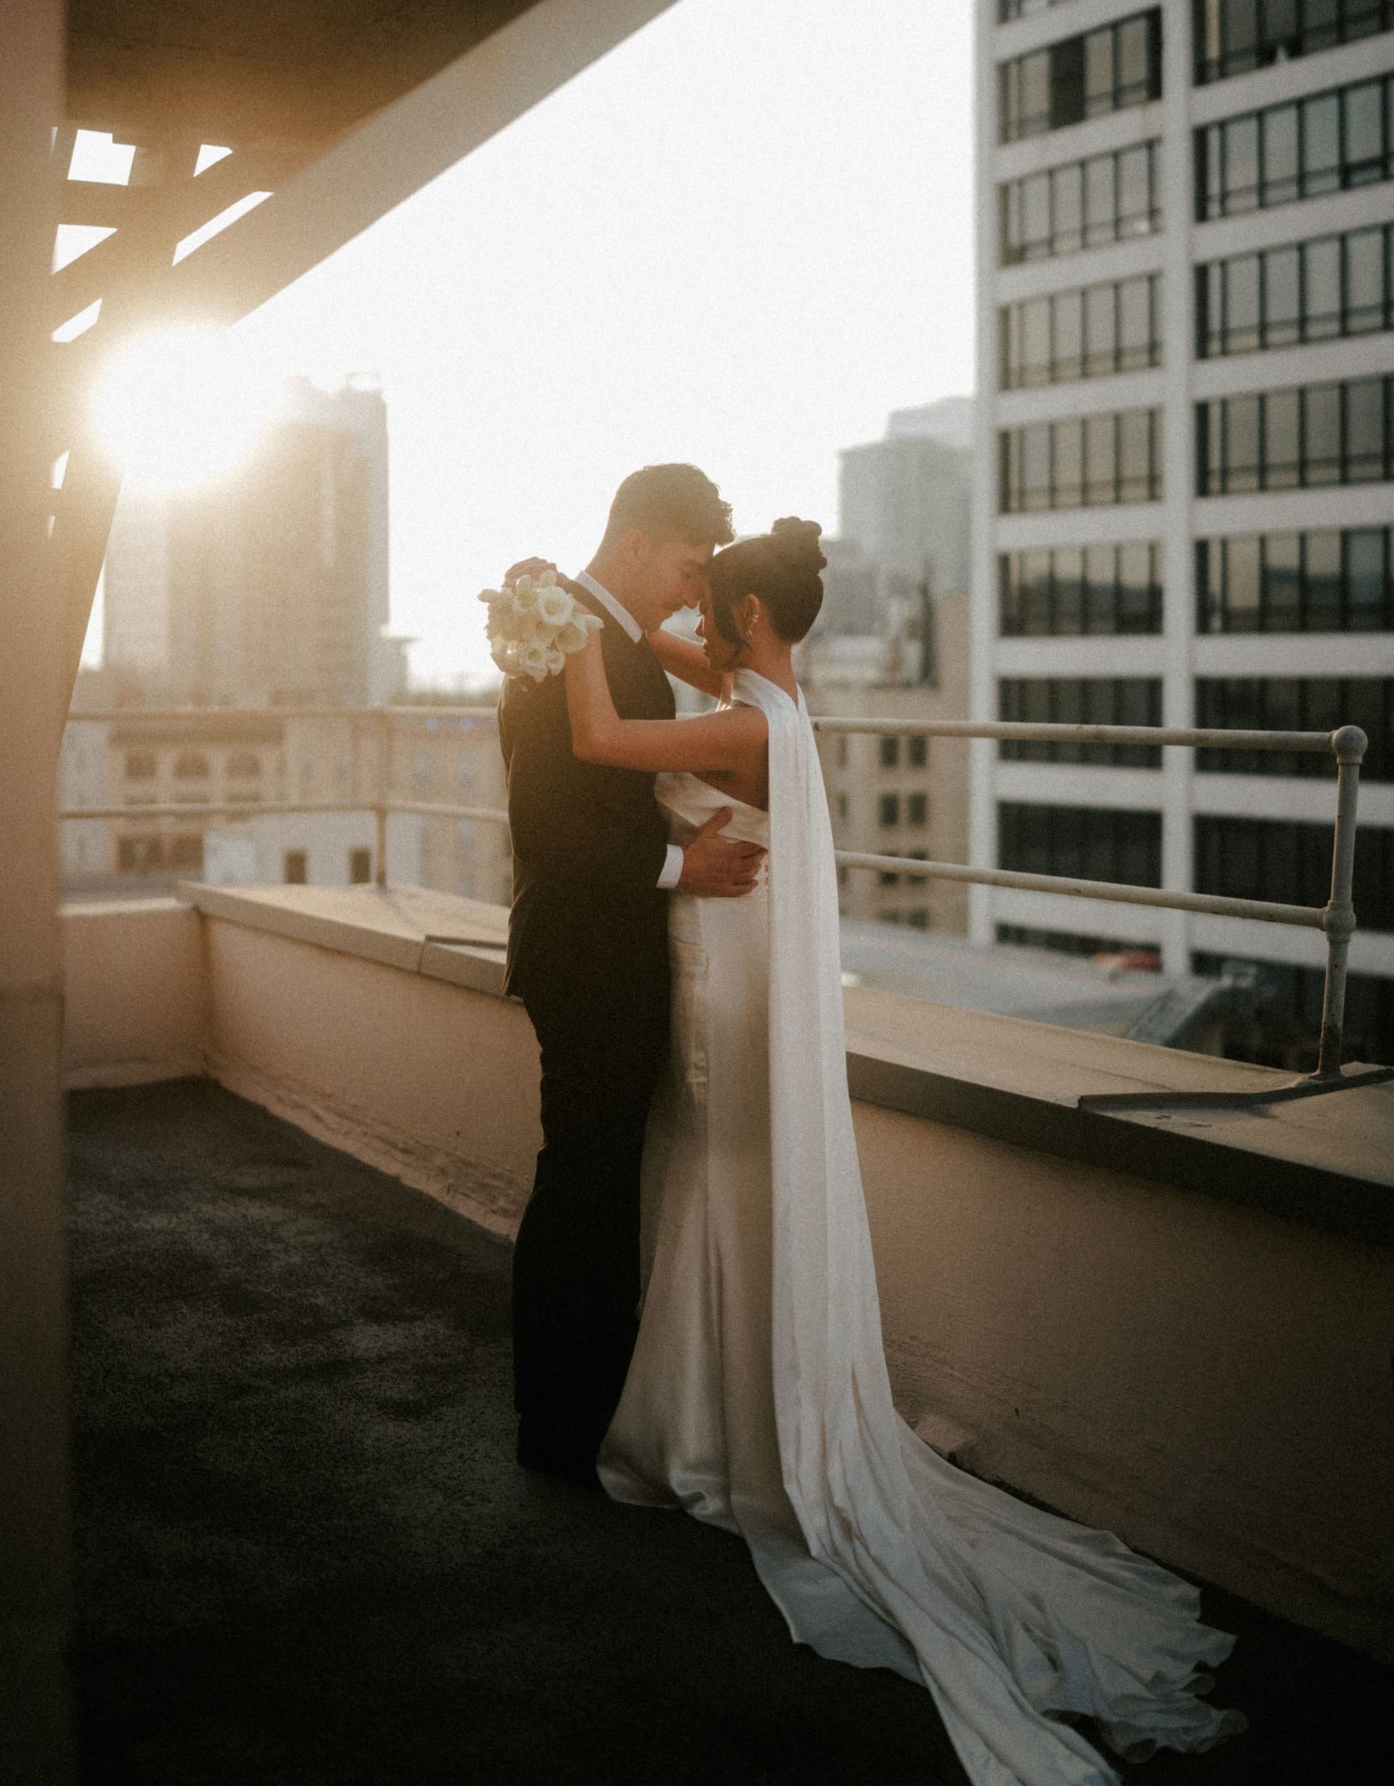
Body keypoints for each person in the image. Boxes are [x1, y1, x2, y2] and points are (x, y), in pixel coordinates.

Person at [563, 516, 1245, 1786]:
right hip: (733, 956)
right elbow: (665, 639)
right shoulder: (768, 695)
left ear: (751, 623)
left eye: (715, 609)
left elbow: (598, 738)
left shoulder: (742, 722)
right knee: (720, 1180)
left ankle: (714, 1432)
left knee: (718, 1170)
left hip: (723, 978)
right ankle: (719, 1412)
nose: (694, 625)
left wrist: (555, 623)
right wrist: (632, 608)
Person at [499, 464, 765, 1489]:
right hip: (590, 955)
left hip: (597, 952)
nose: (692, 595)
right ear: (639, 541)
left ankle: (572, 1415)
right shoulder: (570, 634)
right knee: (585, 1189)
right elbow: (549, 826)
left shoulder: (581, 625)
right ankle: (563, 1431)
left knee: (591, 1183)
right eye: (689, 569)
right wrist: (679, 866)